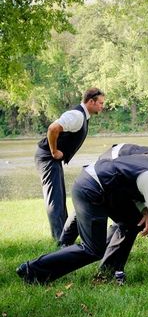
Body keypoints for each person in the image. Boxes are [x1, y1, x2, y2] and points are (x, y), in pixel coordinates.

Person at [16, 150, 148, 284]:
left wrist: (144, 209)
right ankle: (32, 270)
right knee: (92, 249)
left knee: (132, 222)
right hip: (91, 188)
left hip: (107, 189)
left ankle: (109, 271)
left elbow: (129, 181)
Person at [35, 88, 105, 243]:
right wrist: (54, 151)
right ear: (91, 101)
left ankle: (65, 237)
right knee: (55, 199)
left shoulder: (83, 116)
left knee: (59, 197)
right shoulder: (77, 115)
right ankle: (61, 240)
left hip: (52, 159)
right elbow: (53, 128)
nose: (102, 106)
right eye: (100, 103)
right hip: (47, 157)